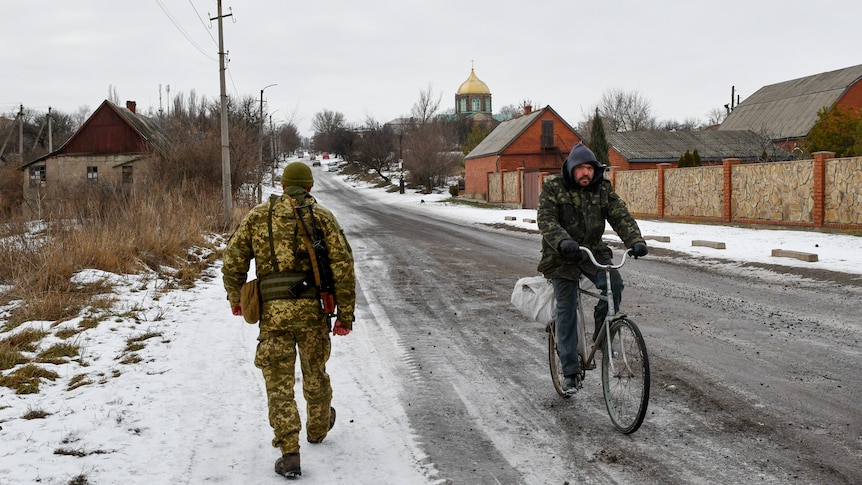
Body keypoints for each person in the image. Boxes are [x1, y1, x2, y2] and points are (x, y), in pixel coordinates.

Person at [222, 161, 356, 478]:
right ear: (310, 187)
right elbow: (343, 267)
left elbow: (232, 260)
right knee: (315, 373)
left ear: (282, 186)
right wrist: (345, 316)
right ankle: (318, 428)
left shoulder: (258, 215)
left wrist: (235, 298)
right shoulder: (322, 216)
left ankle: (290, 453)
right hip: (312, 313)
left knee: (278, 384)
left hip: (273, 315)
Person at [537, 142, 647, 394]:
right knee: (566, 308)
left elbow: (620, 215)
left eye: (589, 168)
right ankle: (570, 373)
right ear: (571, 169)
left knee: (614, 285)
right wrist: (562, 240)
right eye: (580, 168)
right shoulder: (554, 187)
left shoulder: (602, 189)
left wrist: (635, 240)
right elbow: (546, 219)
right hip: (561, 256)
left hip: (591, 252)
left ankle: (602, 331)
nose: (585, 173)